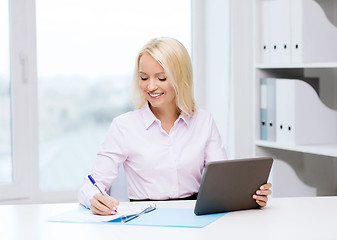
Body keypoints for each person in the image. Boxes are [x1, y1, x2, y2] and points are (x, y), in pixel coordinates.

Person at [78, 37, 272, 215]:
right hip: (145, 220)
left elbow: (222, 183)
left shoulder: (204, 121)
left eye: (162, 78)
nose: (151, 86)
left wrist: (253, 197)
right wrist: (93, 198)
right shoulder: (124, 126)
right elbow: (91, 184)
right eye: (144, 77)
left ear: (181, 79)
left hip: (198, 217)